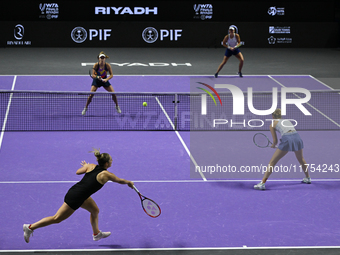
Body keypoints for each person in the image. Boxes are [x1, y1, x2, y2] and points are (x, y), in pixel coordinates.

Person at [23, 149, 134, 243]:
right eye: (110, 160)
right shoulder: (107, 175)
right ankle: (30, 227)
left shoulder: (91, 166)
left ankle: (96, 234)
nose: (112, 161)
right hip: (76, 197)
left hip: (79, 193)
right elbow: (120, 181)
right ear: (106, 164)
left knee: (95, 211)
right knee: (56, 218)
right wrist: (129, 182)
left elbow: (78, 172)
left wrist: (86, 166)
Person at [254, 109, 311, 190]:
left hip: (287, 139)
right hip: (297, 138)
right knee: (301, 159)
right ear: (280, 116)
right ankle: (308, 178)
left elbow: (275, 141)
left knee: (272, 162)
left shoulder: (272, 125)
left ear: (273, 116)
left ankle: (262, 183)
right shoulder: (287, 121)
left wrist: (273, 145)